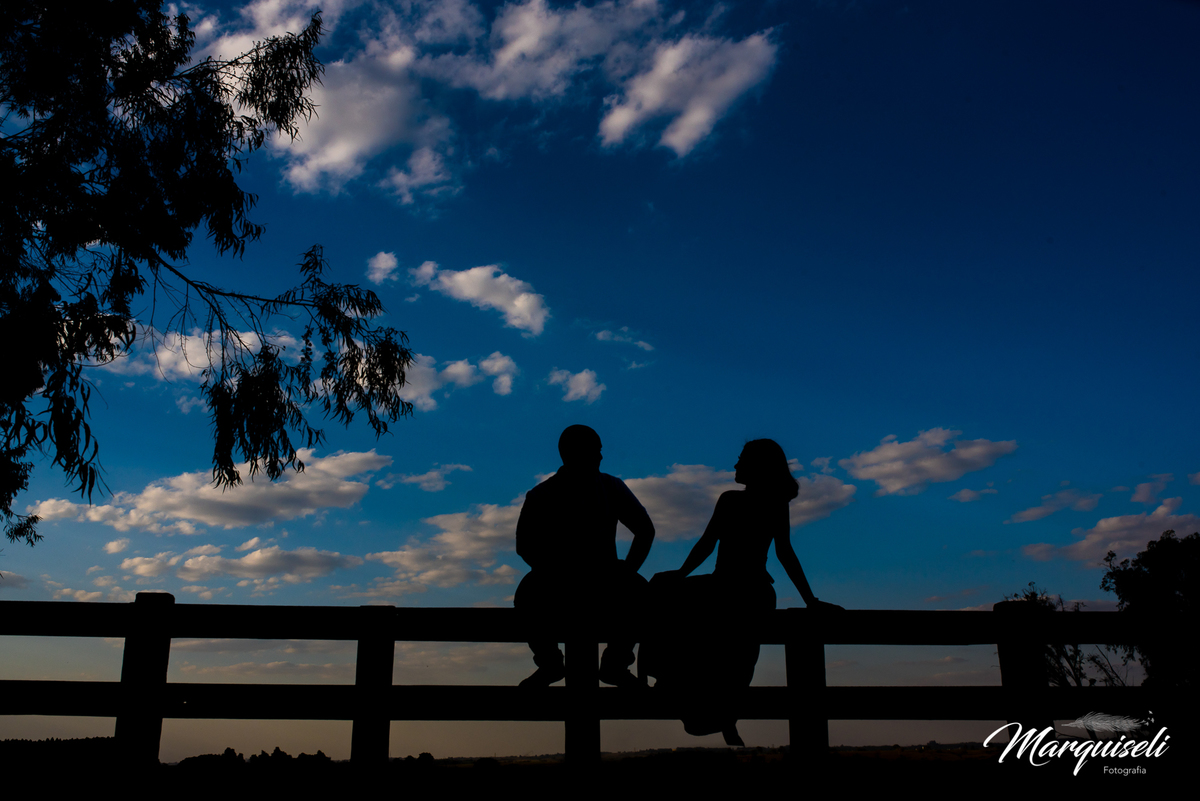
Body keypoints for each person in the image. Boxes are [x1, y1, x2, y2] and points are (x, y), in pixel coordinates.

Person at [643, 438, 842, 745]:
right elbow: (782, 552)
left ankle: (664, 680)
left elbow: (712, 544)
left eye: (741, 460)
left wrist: (680, 575)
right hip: (748, 592)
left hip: (733, 590)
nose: (735, 465)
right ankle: (688, 691)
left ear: (758, 467)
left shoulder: (734, 501)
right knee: (731, 650)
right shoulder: (769, 503)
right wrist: (810, 600)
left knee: (664, 594)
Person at [514, 424, 656, 688]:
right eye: (595, 450)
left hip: (600, 578)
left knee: (640, 592)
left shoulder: (609, 487)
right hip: (560, 581)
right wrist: (553, 572)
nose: (601, 457)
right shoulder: (543, 494)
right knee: (527, 595)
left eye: (600, 451)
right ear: (570, 453)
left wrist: (627, 571)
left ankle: (611, 664)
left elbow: (645, 530)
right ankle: (553, 663)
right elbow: (525, 544)